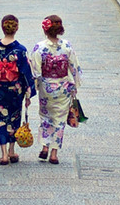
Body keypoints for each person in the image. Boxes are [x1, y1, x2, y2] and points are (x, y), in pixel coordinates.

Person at [0, 15, 36, 165]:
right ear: (16, 28)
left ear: (2, 27)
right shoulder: (20, 50)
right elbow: (26, 74)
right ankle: (11, 150)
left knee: (1, 120)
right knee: (14, 118)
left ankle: (4, 154)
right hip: (15, 91)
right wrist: (28, 94)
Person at [28, 15, 82, 165]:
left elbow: (35, 71)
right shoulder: (67, 46)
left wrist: (35, 87)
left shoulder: (40, 47)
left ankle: (45, 147)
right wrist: (75, 85)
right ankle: (54, 153)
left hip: (46, 88)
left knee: (46, 117)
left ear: (45, 30)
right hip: (63, 87)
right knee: (59, 120)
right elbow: (75, 67)